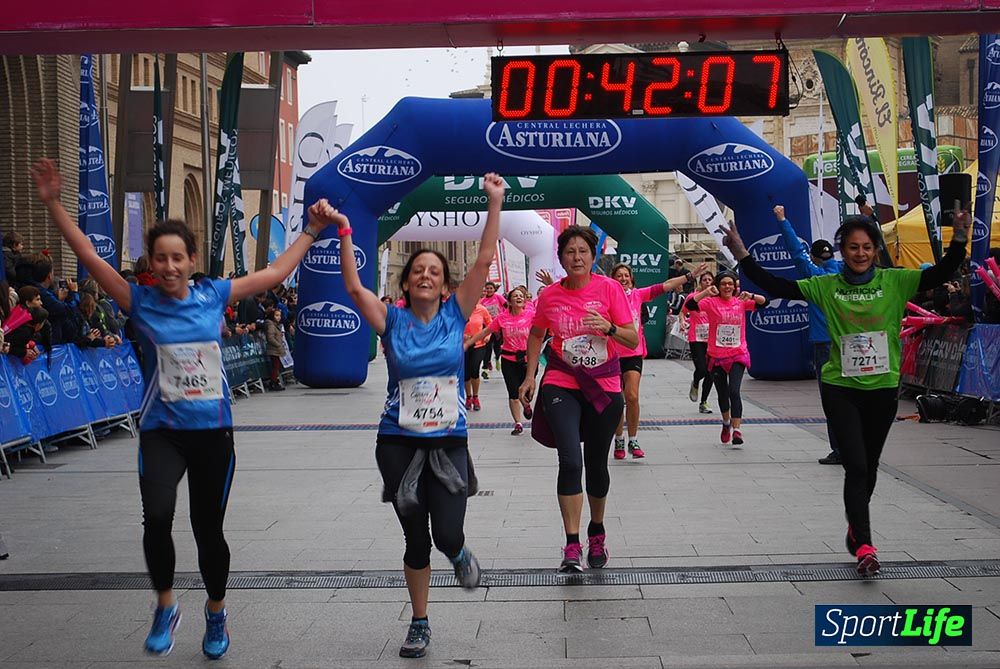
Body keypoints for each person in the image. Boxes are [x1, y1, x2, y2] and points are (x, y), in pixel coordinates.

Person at [31, 157, 334, 659]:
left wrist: (312, 230)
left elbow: (277, 271)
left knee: (207, 529)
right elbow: (88, 253)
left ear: (193, 260)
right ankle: (166, 604)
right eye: (160, 259)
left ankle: (216, 612)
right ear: (150, 263)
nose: (169, 266)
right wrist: (54, 205)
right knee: (157, 517)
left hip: (213, 433)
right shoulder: (138, 301)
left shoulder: (215, 294)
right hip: (162, 432)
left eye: (178, 257)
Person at [720, 206, 970, 576]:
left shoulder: (894, 282)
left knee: (869, 466)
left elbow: (941, 273)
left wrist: (960, 239)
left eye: (867, 247)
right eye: (853, 247)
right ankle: (866, 545)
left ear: (875, 250)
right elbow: (774, 285)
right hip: (841, 387)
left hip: (883, 389)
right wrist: (741, 252)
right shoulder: (826, 285)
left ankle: (856, 525)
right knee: (854, 464)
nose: (860, 253)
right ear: (842, 250)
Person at [332, 173, 504, 659]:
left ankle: (459, 552)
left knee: (446, 532)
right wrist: (346, 230)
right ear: (406, 282)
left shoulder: (456, 314)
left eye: (434, 271)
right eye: (417, 271)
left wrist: (495, 202)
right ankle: (420, 621)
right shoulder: (392, 320)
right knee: (414, 535)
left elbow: (486, 258)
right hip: (398, 440)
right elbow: (351, 285)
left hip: (449, 440)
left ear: (445, 283)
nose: (425, 275)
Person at [518, 226, 638, 574]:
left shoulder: (611, 289)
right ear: (561, 257)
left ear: (593, 255)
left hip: (603, 384)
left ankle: (596, 531)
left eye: (583, 251)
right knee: (571, 461)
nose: (577, 257)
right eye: (570, 252)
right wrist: (529, 376)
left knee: (596, 464)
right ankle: (572, 543)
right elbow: (537, 333)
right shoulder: (551, 296)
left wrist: (609, 328)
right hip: (562, 381)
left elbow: (630, 340)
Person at [610, 261, 707, 459]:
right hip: (611, 354)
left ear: (632, 279)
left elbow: (667, 285)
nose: (623, 278)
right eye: (618, 275)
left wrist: (689, 276)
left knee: (632, 396)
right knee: (617, 401)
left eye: (626, 275)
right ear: (613, 280)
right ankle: (618, 439)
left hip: (633, 353)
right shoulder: (607, 296)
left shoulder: (638, 295)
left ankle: (633, 439)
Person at [772, 205, 845, 465]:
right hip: (848, 342)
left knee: (832, 399)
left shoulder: (815, 278)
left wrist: (782, 220)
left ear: (815, 258)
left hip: (824, 343)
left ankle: (840, 450)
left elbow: (796, 252)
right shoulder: (846, 274)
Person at [684, 273, 767, 446]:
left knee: (734, 391)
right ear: (718, 286)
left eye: (731, 284)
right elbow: (691, 305)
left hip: (738, 353)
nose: (727, 287)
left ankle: (737, 430)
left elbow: (764, 303)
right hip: (717, 355)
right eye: (723, 284)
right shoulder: (710, 302)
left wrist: (751, 295)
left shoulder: (741, 301)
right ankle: (726, 423)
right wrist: (706, 292)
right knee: (722, 393)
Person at [467, 286, 534, 435]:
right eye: (515, 296)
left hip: (528, 360)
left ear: (524, 301)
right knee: (513, 392)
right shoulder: (502, 318)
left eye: (521, 296)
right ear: (509, 301)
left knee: (527, 392)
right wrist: (468, 343)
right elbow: (485, 331)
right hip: (508, 359)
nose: (519, 298)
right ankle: (518, 423)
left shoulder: (531, 315)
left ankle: (526, 404)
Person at [681, 270, 716, 414]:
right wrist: (683, 321)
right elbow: (683, 311)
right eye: (704, 280)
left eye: (710, 280)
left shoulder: (716, 298)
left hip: (713, 339)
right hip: (696, 338)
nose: (707, 282)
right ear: (700, 283)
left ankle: (704, 402)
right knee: (701, 369)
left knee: (711, 373)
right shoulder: (693, 297)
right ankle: (695, 382)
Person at [462, 299, 492, 410]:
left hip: (479, 344)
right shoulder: (460, 309)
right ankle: (468, 397)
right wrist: (462, 335)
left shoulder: (482, 309)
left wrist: (488, 336)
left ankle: (476, 397)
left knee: (474, 370)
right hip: (463, 345)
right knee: (466, 373)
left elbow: (490, 324)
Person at [479, 281, 507, 376]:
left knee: (497, 346)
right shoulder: (482, 301)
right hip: (488, 326)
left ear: (494, 289)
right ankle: (485, 368)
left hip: (499, 325)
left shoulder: (498, 297)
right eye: (487, 288)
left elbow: (507, 306)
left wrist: (506, 317)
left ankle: (498, 358)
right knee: (487, 347)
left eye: (491, 288)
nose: (489, 290)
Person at [263, 308, 288, 391]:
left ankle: (275, 381)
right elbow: (270, 337)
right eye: (276, 315)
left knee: (276, 366)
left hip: (275, 349)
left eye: (279, 315)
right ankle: (273, 383)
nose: (278, 317)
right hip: (273, 349)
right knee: (275, 366)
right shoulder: (271, 325)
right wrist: (278, 345)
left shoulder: (275, 325)